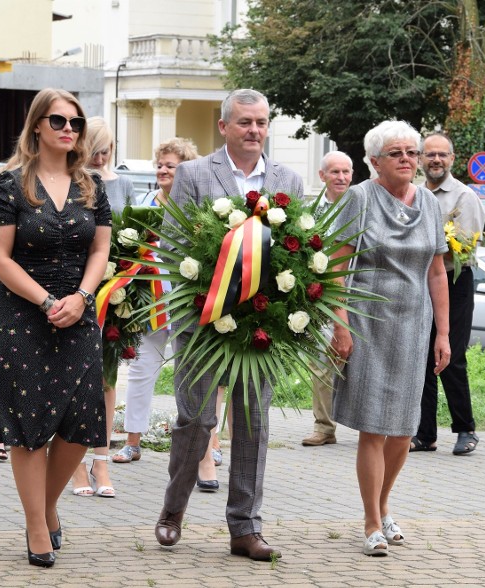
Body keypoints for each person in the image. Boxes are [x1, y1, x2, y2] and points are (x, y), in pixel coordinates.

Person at [154, 89, 304, 561]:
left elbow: (297, 248)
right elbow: (174, 247)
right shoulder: (196, 174)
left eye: (260, 122)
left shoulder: (288, 180)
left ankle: (245, 527)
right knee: (196, 420)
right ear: (224, 127)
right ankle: (174, 509)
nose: (254, 130)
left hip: (262, 324)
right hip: (203, 321)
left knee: (254, 424)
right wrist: (206, 303)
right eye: (244, 122)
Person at [0, 88, 111, 567]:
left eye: (75, 122)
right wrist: (48, 300)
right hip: (22, 316)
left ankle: (47, 506)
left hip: (78, 313)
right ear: (37, 125)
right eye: (58, 121)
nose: (68, 130)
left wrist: (82, 297)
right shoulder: (10, 184)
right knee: (28, 426)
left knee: (79, 423)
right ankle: (37, 525)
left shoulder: (91, 185)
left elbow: (100, 251)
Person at [330, 120, 450, 557]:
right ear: (375, 160)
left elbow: (437, 272)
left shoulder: (431, 205)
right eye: (397, 152)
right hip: (367, 324)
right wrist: (340, 325)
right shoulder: (359, 198)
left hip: (414, 326)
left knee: (404, 430)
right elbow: (336, 268)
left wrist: (445, 333)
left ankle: (384, 506)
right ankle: (370, 521)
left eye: (412, 152)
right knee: (374, 428)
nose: (407, 159)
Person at [110, 137, 223, 490]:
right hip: (152, 301)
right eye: (159, 164)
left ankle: (212, 444)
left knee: (199, 374)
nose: (162, 170)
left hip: (188, 302)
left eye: (170, 166)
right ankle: (132, 441)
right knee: (143, 368)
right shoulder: (143, 203)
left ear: (185, 171)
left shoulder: (198, 208)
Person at [69, 116, 134, 498]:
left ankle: (101, 461)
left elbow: (135, 235)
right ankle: (75, 466)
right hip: (74, 290)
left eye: (106, 150)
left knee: (107, 379)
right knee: (73, 380)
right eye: (93, 149)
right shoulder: (69, 183)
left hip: (117, 293)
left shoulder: (122, 183)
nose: (99, 157)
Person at [412, 133, 485, 455]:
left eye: (442, 155)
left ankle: (465, 429)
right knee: (421, 359)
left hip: (454, 283)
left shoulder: (464, 197)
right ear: (420, 160)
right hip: (419, 284)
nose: (436, 160)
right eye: (430, 155)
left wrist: (428, 251)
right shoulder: (413, 195)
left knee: (451, 356)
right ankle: (424, 434)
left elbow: (465, 247)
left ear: (452, 159)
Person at [301, 151, 353, 447]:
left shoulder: (362, 206)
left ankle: (371, 427)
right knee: (322, 361)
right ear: (322, 176)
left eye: (346, 172)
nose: (342, 178)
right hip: (323, 296)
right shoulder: (311, 213)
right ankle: (324, 427)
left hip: (359, 293)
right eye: (335, 172)